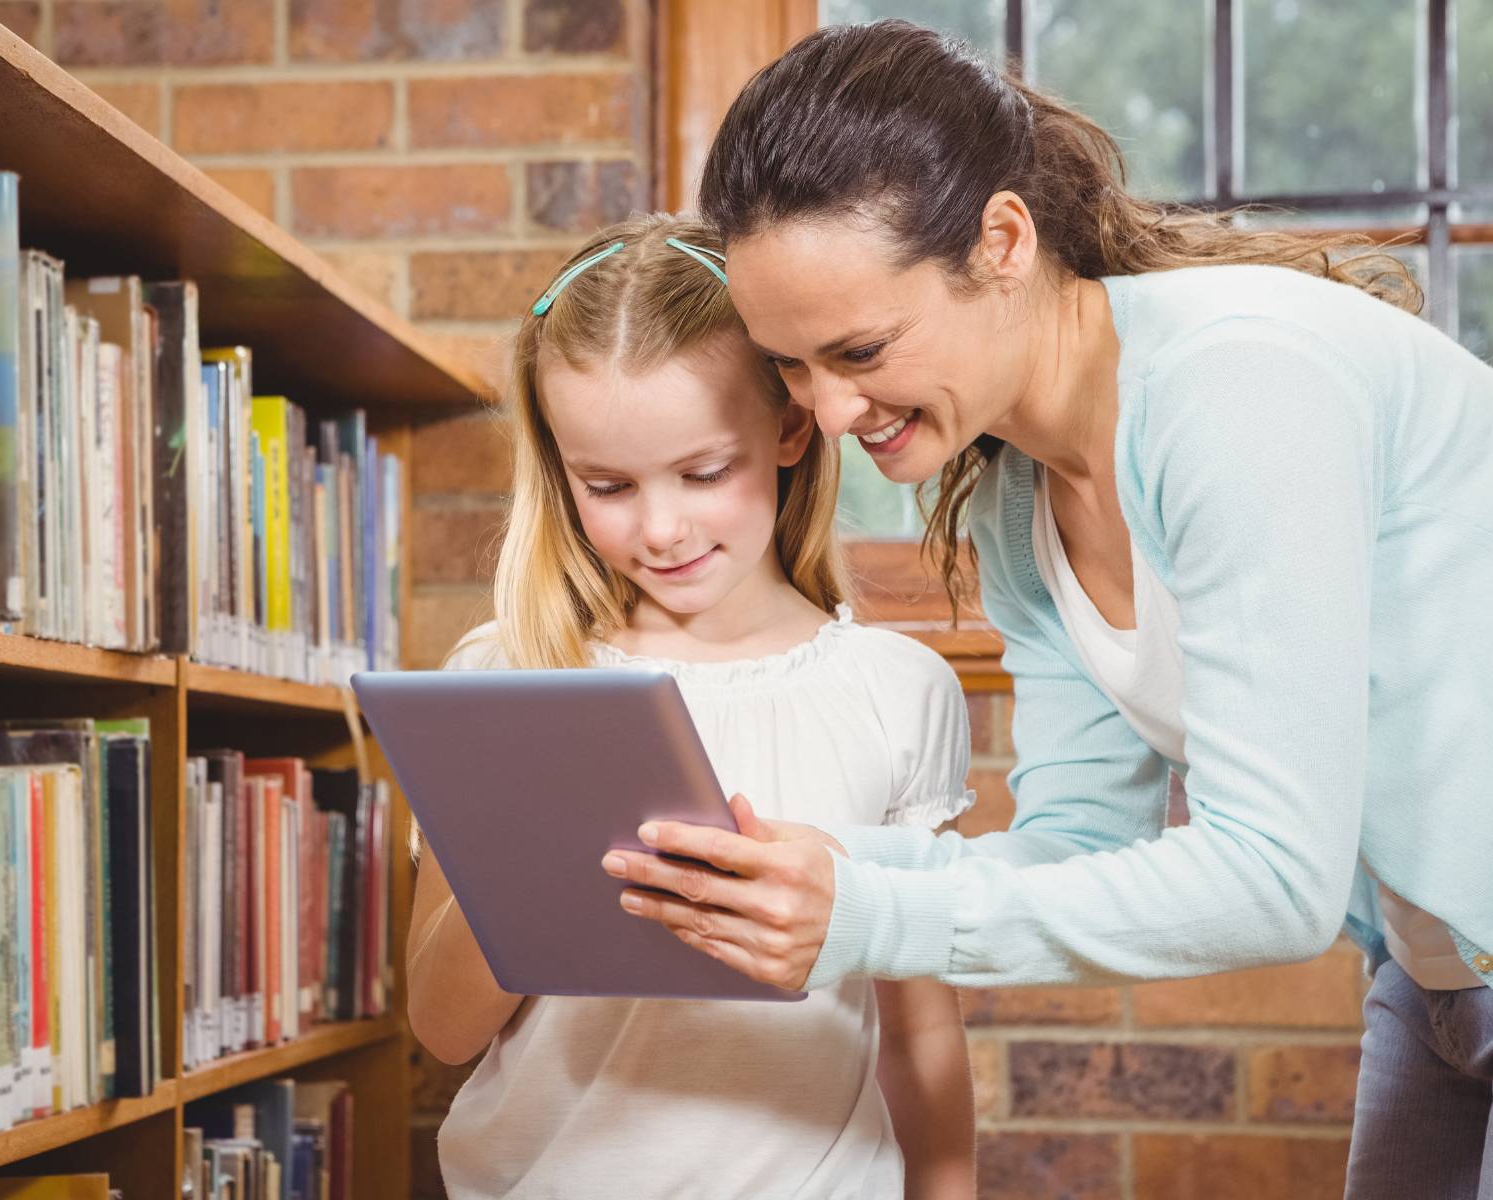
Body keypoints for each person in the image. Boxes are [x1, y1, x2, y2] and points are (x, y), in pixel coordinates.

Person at [599, 21, 1493, 1199]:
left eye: (861, 348)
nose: (827, 413)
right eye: (794, 367)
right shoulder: (1019, 503)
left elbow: (1273, 881)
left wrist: (867, 914)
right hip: (1437, 974)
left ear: (1005, 240)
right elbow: (1080, 843)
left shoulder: (1238, 389)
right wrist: (806, 861)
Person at [406, 213, 979, 1199]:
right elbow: (442, 1030)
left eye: (704, 473)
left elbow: (923, 1032)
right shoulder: (507, 676)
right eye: (609, 485)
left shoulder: (894, 690)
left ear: (793, 426)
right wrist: (530, 856)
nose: (662, 527)